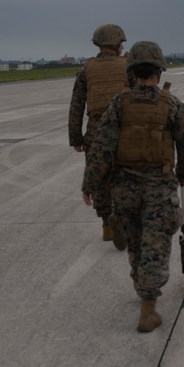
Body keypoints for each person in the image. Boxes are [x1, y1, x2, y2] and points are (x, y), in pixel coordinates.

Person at [82, 41, 184, 332]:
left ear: (131, 72)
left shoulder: (118, 104)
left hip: (125, 189)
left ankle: (140, 283)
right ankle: (149, 306)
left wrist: (91, 183)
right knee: (156, 245)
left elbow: (102, 147)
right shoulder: (171, 104)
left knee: (136, 242)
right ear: (159, 72)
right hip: (159, 188)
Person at [69, 24, 134, 249]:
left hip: (96, 131)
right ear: (116, 44)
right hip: (124, 129)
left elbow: (76, 105)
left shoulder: (87, 69)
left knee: (101, 179)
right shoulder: (128, 66)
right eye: (121, 43)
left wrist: (76, 138)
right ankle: (124, 219)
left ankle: (107, 224)